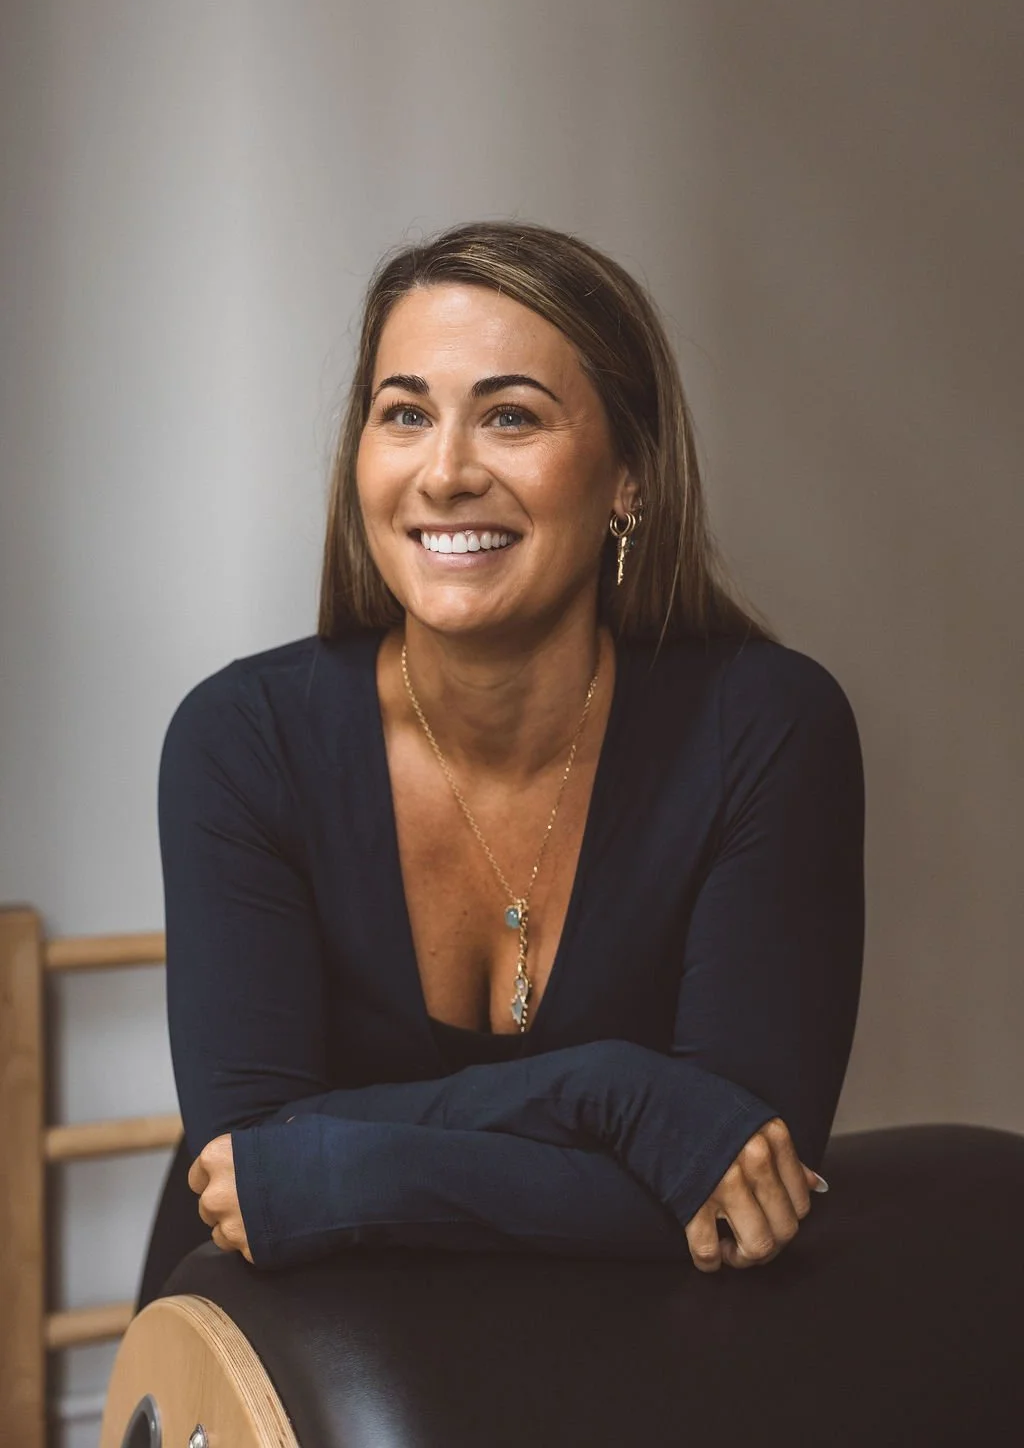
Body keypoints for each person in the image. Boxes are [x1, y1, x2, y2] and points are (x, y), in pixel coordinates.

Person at [154, 220, 864, 1289]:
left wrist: (336, 1168)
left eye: (511, 416)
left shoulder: (767, 729)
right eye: (405, 414)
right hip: (281, 1348)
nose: (444, 473)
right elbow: (242, 1167)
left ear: (629, 476)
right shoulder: (241, 739)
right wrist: (618, 1097)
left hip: (630, 1361)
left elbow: (746, 1195)